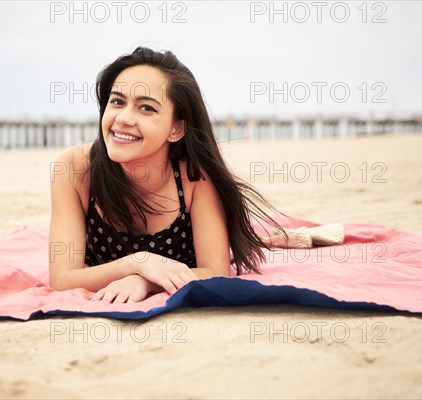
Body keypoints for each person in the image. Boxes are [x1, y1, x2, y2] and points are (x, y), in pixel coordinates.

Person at [49, 47, 285, 303]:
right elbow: (62, 279)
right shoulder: (75, 169)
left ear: (176, 128)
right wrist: (139, 262)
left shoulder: (194, 178)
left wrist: (146, 280)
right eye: (117, 101)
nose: (124, 118)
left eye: (146, 108)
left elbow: (216, 272)